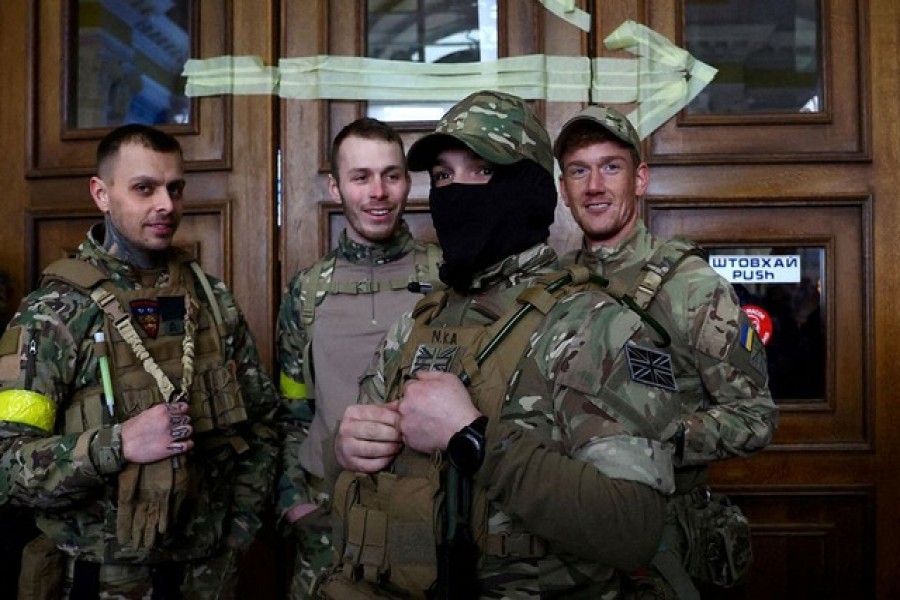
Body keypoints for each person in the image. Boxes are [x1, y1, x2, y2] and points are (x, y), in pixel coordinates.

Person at [319, 90, 692, 598]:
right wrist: (343, 447)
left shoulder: (600, 326)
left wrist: (471, 436)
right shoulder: (419, 322)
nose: (456, 190)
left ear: (527, 186)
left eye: (482, 170)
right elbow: (360, 475)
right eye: (444, 176)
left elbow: (633, 530)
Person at [0, 124, 279, 598]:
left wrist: (239, 531)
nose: (166, 204)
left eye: (175, 188)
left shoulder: (211, 299)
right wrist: (119, 444)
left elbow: (263, 425)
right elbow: (8, 465)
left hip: (206, 578)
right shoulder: (54, 313)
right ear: (101, 194)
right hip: (98, 580)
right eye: (144, 188)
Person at [554, 104, 779, 596]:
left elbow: (756, 417)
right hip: (570, 534)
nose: (594, 186)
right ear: (564, 190)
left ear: (639, 179)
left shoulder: (692, 287)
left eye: (611, 167)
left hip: (662, 532)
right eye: (578, 171)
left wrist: (660, 436)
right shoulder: (553, 287)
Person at [275, 117, 441, 597]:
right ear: (335, 187)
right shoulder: (308, 291)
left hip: (424, 515)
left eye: (391, 175)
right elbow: (292, 412)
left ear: (408, 182)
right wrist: (296, 503)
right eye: (361, 177)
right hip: (329, 522)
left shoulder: (447, 278)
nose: (378, 192)